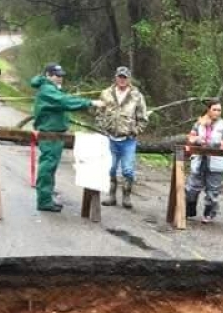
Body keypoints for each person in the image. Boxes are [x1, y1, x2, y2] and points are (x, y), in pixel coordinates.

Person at [29, 63, 103, 212]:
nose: (60, 78)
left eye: (61, 76)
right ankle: (44, 201)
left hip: (55, 133)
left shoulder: (52, 89)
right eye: (57, 75)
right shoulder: (47, 90)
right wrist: (91, 102)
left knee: (50, 167)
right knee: (47, 167)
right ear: (48, 75)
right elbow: (65, 102)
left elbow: (62, 102)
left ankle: (46, 198)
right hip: (49, 134)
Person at [97, 65, 149, 209]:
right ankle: (111, 195)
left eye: (124, 77)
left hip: (128, 140)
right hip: (110, 137)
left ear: (129, 79)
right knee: (111, 168)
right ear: (116, 77)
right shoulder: (106, 93)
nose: (122, 80)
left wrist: (135, 131)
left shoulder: (136, 95)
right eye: (120, 77)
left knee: (127, 170)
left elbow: (143, 118)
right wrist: (102, 128)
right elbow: (99, 113)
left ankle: (126, 195)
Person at [184, 100, 223, 223]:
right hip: (199, 161)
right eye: (214, 109)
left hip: (217, 163)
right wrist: (197, 140)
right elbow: (190, 138)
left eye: (219, 110)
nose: (217, 112)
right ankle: (189, 210)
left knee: (213, 192)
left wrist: (214, 144)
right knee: (191, 189)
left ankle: (209, 214)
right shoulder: (199, 123)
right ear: (208, 110)